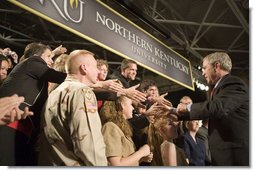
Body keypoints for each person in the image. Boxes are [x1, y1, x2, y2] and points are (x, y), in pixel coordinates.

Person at [176, 52, 249, 166]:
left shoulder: (233, 84)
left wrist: (187, 107)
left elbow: (215, 107)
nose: (203, 72)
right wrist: (176, 113)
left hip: (235, 157)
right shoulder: (219, 87)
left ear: (217, 66)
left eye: (205, 68)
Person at [0, 43, 67, 165]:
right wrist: (86, 80)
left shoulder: (34, 71)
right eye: (49, 57)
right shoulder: (32, 62)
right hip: (10, 124)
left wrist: (52, 53)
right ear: (38, 56)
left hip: (23, 128)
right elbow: (58, 76)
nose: (51, 61)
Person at [39, 50, 107, 166]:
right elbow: (89, 143)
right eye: (96, 67)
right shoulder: (82, 92)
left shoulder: (55, 93)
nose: (98, 71)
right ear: (84, 68)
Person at [100, 95, 153, 166]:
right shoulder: (110, 127)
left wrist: (141, 159)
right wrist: (141, 153)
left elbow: (125, 161)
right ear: (122, 105)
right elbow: (116, 164)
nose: (133, 108)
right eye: (130, 104)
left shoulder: (120, 127)